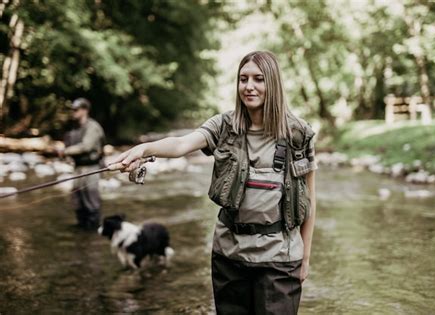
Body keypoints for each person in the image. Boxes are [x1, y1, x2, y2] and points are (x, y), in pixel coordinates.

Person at [111, 51, 317, 314]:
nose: (249, 86)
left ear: (273, 83)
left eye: (258, 79)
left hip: (281, 260)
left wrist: (306, 257)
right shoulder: (223, 126)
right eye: (243, 79)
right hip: (229, 258)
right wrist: (143, 149)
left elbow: (310, 200)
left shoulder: (300, 134)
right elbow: (181, 144)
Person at [59, 98, 105, 230]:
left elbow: (86, 146)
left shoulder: (93, 127)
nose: (73, 112)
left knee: (91, 201)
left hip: (91, 169)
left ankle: (94, 232)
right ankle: (81, 233)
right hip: (78, 169)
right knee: (77, 202)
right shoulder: (74, 128)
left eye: (76, 109)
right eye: (72, 109)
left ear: (85, 110)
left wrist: (66, 151)